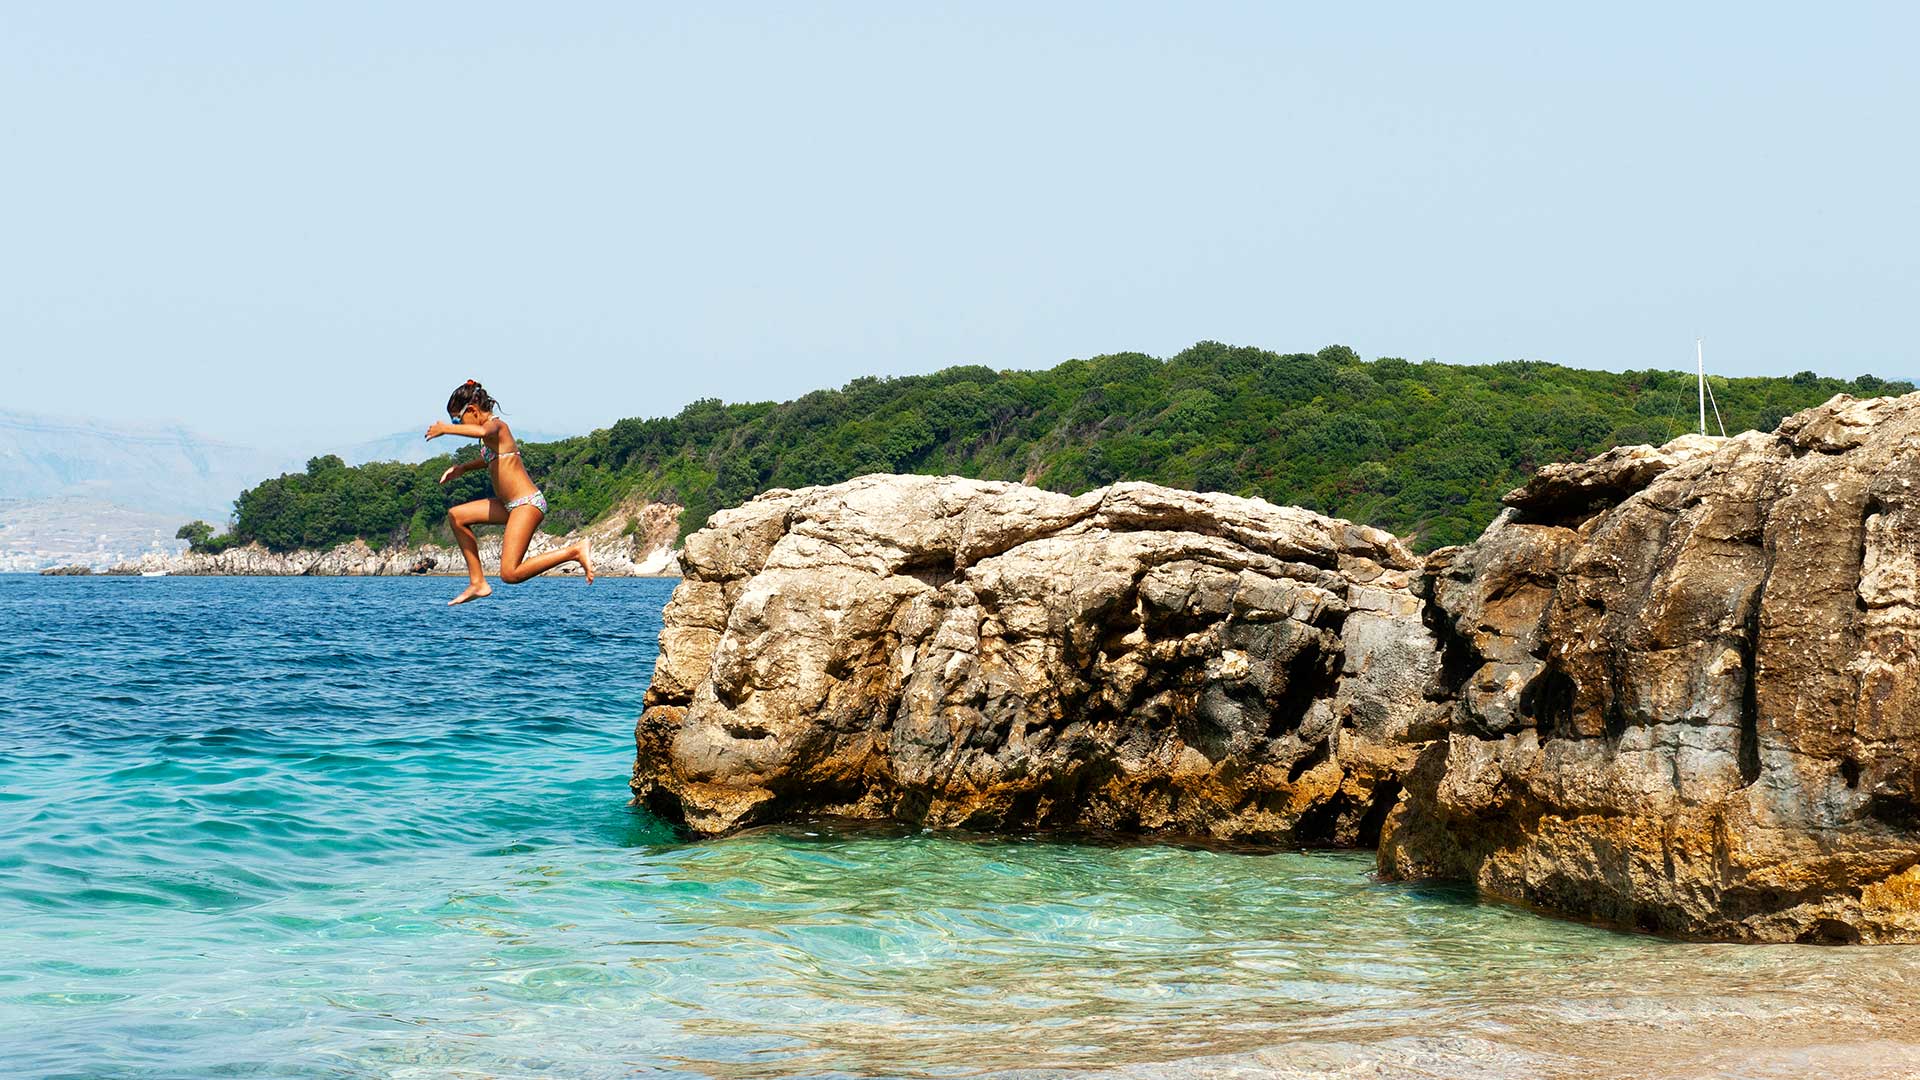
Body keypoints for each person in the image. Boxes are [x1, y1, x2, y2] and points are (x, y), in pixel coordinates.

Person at [426, 379, 593, 605]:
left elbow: (482, 430)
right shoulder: (489, 439)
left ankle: (574, 551)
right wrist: (462, 468)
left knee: (510, 574)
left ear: (473, 410)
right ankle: (477, 582)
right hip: (508, 506)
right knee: (457, 515)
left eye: (457, 418)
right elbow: (488, 459)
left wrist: (447, 429)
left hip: (526, 503)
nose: (455, 422)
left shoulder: (496, 427)